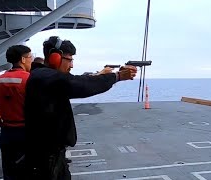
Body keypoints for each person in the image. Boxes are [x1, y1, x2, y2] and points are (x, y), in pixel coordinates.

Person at [25, 36, 137, 180]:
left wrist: (99, 75)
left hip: (51, 154)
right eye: (69, 59)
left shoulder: (44, 75)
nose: (71, 65)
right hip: (45, 157)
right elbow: (77, 84)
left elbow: (74, 80)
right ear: (55, 57)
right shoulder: (44, 76)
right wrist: (117, 76)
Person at [0, 45, 32, 180]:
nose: (31, 60)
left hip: (6, 133)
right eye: (30, 57)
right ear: (23, 60)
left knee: (9, 171)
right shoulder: (29, 79)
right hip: (26, 133)